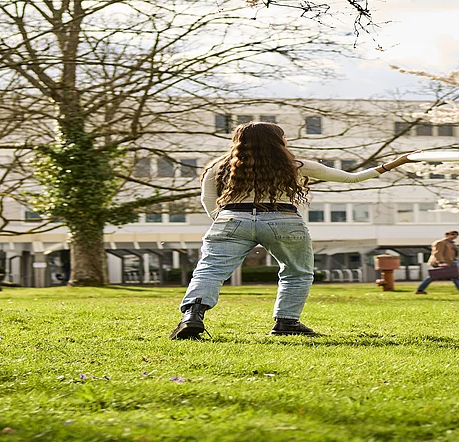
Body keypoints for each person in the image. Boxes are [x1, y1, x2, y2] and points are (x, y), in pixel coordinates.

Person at [172, 122, 412, 339]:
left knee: (210, 271)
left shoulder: (218, 166)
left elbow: (208, 199)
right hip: (283, 219)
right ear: (278, 141)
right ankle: (286, 322)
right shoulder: (296, 165)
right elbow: (352, 178)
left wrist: (223, 219)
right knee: (297, 272)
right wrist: (397, 162)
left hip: (231, 218)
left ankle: (192, 315)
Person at [415, 230, 459, 295]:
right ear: (447, 235)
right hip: (441, 262)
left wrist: (454, 259)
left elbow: (450, 253)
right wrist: (441, 262)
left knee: (456, 277)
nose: (454, 236)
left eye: (456, 235)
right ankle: (420, 290)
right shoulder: (441, 243)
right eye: (452, 234)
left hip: (450, 262)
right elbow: (438, 253)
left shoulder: (451, 243)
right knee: (432, 276)